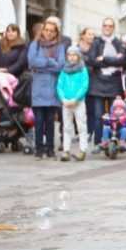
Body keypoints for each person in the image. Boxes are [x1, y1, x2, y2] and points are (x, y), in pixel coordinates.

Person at [27, 19, 65, 159]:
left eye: (51, 31)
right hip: (38, 87)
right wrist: (50, 61)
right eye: (46, 30)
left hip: (52, 87)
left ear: (56, 33)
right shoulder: (35, 45)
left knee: (50, 121)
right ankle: (39, 149)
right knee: (38, 121)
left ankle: (50, 148)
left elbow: (60, 66)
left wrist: (42, 66)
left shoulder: (60, 46)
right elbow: (32, 62)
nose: (48, 33)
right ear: (42, 31)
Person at [86, 17, 125, 149]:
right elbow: (91, 60)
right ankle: (99, 143)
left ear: (113, 28)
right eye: (105, 25)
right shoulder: (96, 42)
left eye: (110, 26)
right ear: (102, 27)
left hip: (114, 83)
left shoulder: (118, 43)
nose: (107, 28)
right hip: (98, 83)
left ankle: (116, 141)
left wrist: (104, 58)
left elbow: (123, 60)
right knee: (98, 116)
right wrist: (113, 60)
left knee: (117, 114)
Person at [57, 45, 90, 162]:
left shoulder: (82, 70)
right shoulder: (64, 71)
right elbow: (59, 86)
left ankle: (82, 150)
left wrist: (76, 99)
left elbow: (84, 85)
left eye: (74, 55)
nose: (71, 57)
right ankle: (66, 150)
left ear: (78, 56)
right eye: (69, 55)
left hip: (78, 102)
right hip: (66, 102)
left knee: (81, 126)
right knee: (66, 126)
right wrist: (63, 99)